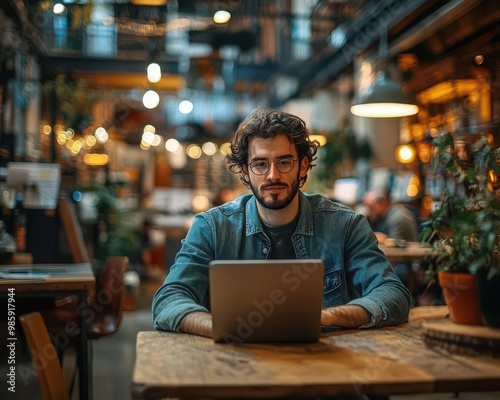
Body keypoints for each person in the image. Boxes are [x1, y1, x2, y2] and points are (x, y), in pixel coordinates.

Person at [152, 107, 411, 338]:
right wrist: (219, 326)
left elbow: (393, 295)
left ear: (303, 166)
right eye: (260, 164)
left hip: (327, 370)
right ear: (245, 171)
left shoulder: (346, 225)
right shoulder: (212, 227)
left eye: (284, 162)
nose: (273, 175)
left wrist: (326, 317)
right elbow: (169, 300)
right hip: (237, 370)